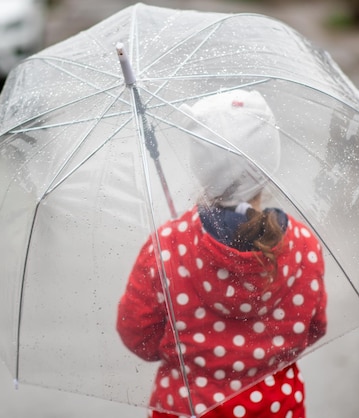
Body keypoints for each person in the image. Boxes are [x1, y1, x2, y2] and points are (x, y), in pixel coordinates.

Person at [117, 90, 327, 418]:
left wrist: (184, 343)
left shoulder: (167, 247)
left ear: (199, 165)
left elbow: (137, 336)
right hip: (277, 409)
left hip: (185, 409)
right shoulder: (304, 248)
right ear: (268, 162)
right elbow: (314, 328)